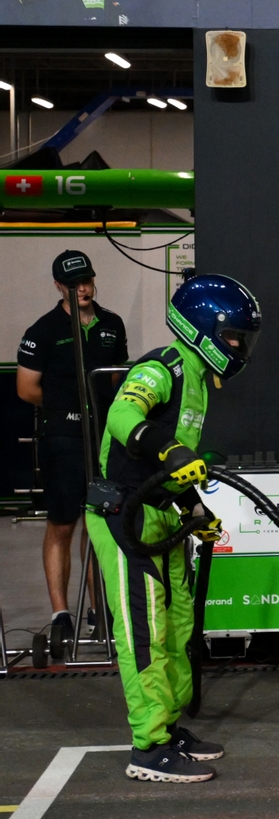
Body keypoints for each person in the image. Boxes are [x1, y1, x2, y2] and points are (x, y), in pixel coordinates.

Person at [87, 273, 260, 783]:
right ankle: (148, 747)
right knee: (145, 631)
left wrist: (195, 510)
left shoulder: (199, 380)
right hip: (125, 517)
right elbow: (122, 415)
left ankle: (169, 725)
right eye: (232, 336)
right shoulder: (161, 367)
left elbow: (175, 464)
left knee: (178, 626)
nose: (237, 347)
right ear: (204, 328)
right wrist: (167, 448)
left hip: (163, 515)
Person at [16, 250, 129, 648]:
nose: (81, 288)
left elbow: (119, 379)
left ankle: (101, 609)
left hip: (103, 437)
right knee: (63, 524)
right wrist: (67, 410)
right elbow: (26, 389)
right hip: (62, 439)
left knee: (98, 521)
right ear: (58, 287)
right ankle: (61, 613)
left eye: (86, 280)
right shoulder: (43, 330)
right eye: (72, 283)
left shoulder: (112, 324)